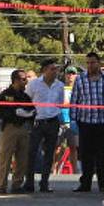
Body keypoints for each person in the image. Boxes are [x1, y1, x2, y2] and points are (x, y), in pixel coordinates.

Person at [68, 52, 104, 193]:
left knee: (102, 155)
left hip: (102, 122)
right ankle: (85, 184)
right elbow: (74, 100)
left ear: (99, 63)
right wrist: (73, 120)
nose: (90, 65)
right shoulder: (80, 79)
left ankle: (103, 184)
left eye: (93, 62)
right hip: (84, 122)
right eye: (88, 63)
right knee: (85, 155)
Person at [23, 59, 65, 193]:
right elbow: (26, 100)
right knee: (32, 152)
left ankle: (44, 183)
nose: (55, 71)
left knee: (50, 153)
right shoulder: (34, 84)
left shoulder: (59, 85)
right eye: (52, 69)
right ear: (44, 70)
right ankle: (29, 183)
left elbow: (60, 103)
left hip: (52, 122)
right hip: (37, 122)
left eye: (56, 69)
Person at [0, 69, 35, 194]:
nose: (26, 82)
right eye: (23, 79)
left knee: (22, 158)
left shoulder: (25, 96)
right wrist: (14, 113)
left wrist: (29, 114)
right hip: (9, 128)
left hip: (23, 128)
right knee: (5, 158)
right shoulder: (5, 95)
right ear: (15, 80)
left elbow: (32, 110)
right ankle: (1, 185)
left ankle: (17, 184)